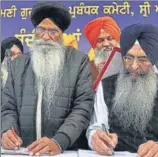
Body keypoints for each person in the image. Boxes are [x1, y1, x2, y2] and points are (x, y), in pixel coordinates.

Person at [1, 2, 94, 156]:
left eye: (53, 31)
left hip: (62, 152)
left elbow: (83, 107)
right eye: (41, 29)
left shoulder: (79, 61)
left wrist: (59, 141)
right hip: (24, 151)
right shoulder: (18, 64)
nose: (45, 36)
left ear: (61, 34)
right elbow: (7, 106)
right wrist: (6, 130)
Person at [87, 23, 158, 157]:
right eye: (128, 58)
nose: (134, 66)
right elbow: (97, 126)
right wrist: (96, 138)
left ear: (153, 60)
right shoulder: (106, 85)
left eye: (142, 59)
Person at [84, 16, 121, 84]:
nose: (106, 44)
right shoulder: (86, 68)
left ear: (117, 40)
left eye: (110, 39)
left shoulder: (128, 63)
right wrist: (99, 77)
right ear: (94, 45)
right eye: (100, 41)